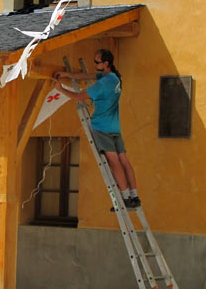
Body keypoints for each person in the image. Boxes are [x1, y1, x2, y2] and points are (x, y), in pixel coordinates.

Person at [53, 49, 141, 209]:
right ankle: (134, 196)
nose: (95, 65)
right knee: (124, 160)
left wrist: (61, 89)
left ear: (106, 63)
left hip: (102, 127)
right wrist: (68, 74)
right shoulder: (114, 78)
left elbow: (80, 97)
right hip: (115, 127)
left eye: (97, 62)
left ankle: (125, 198)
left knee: (114, 162)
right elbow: (88, 76)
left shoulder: (103, 84)